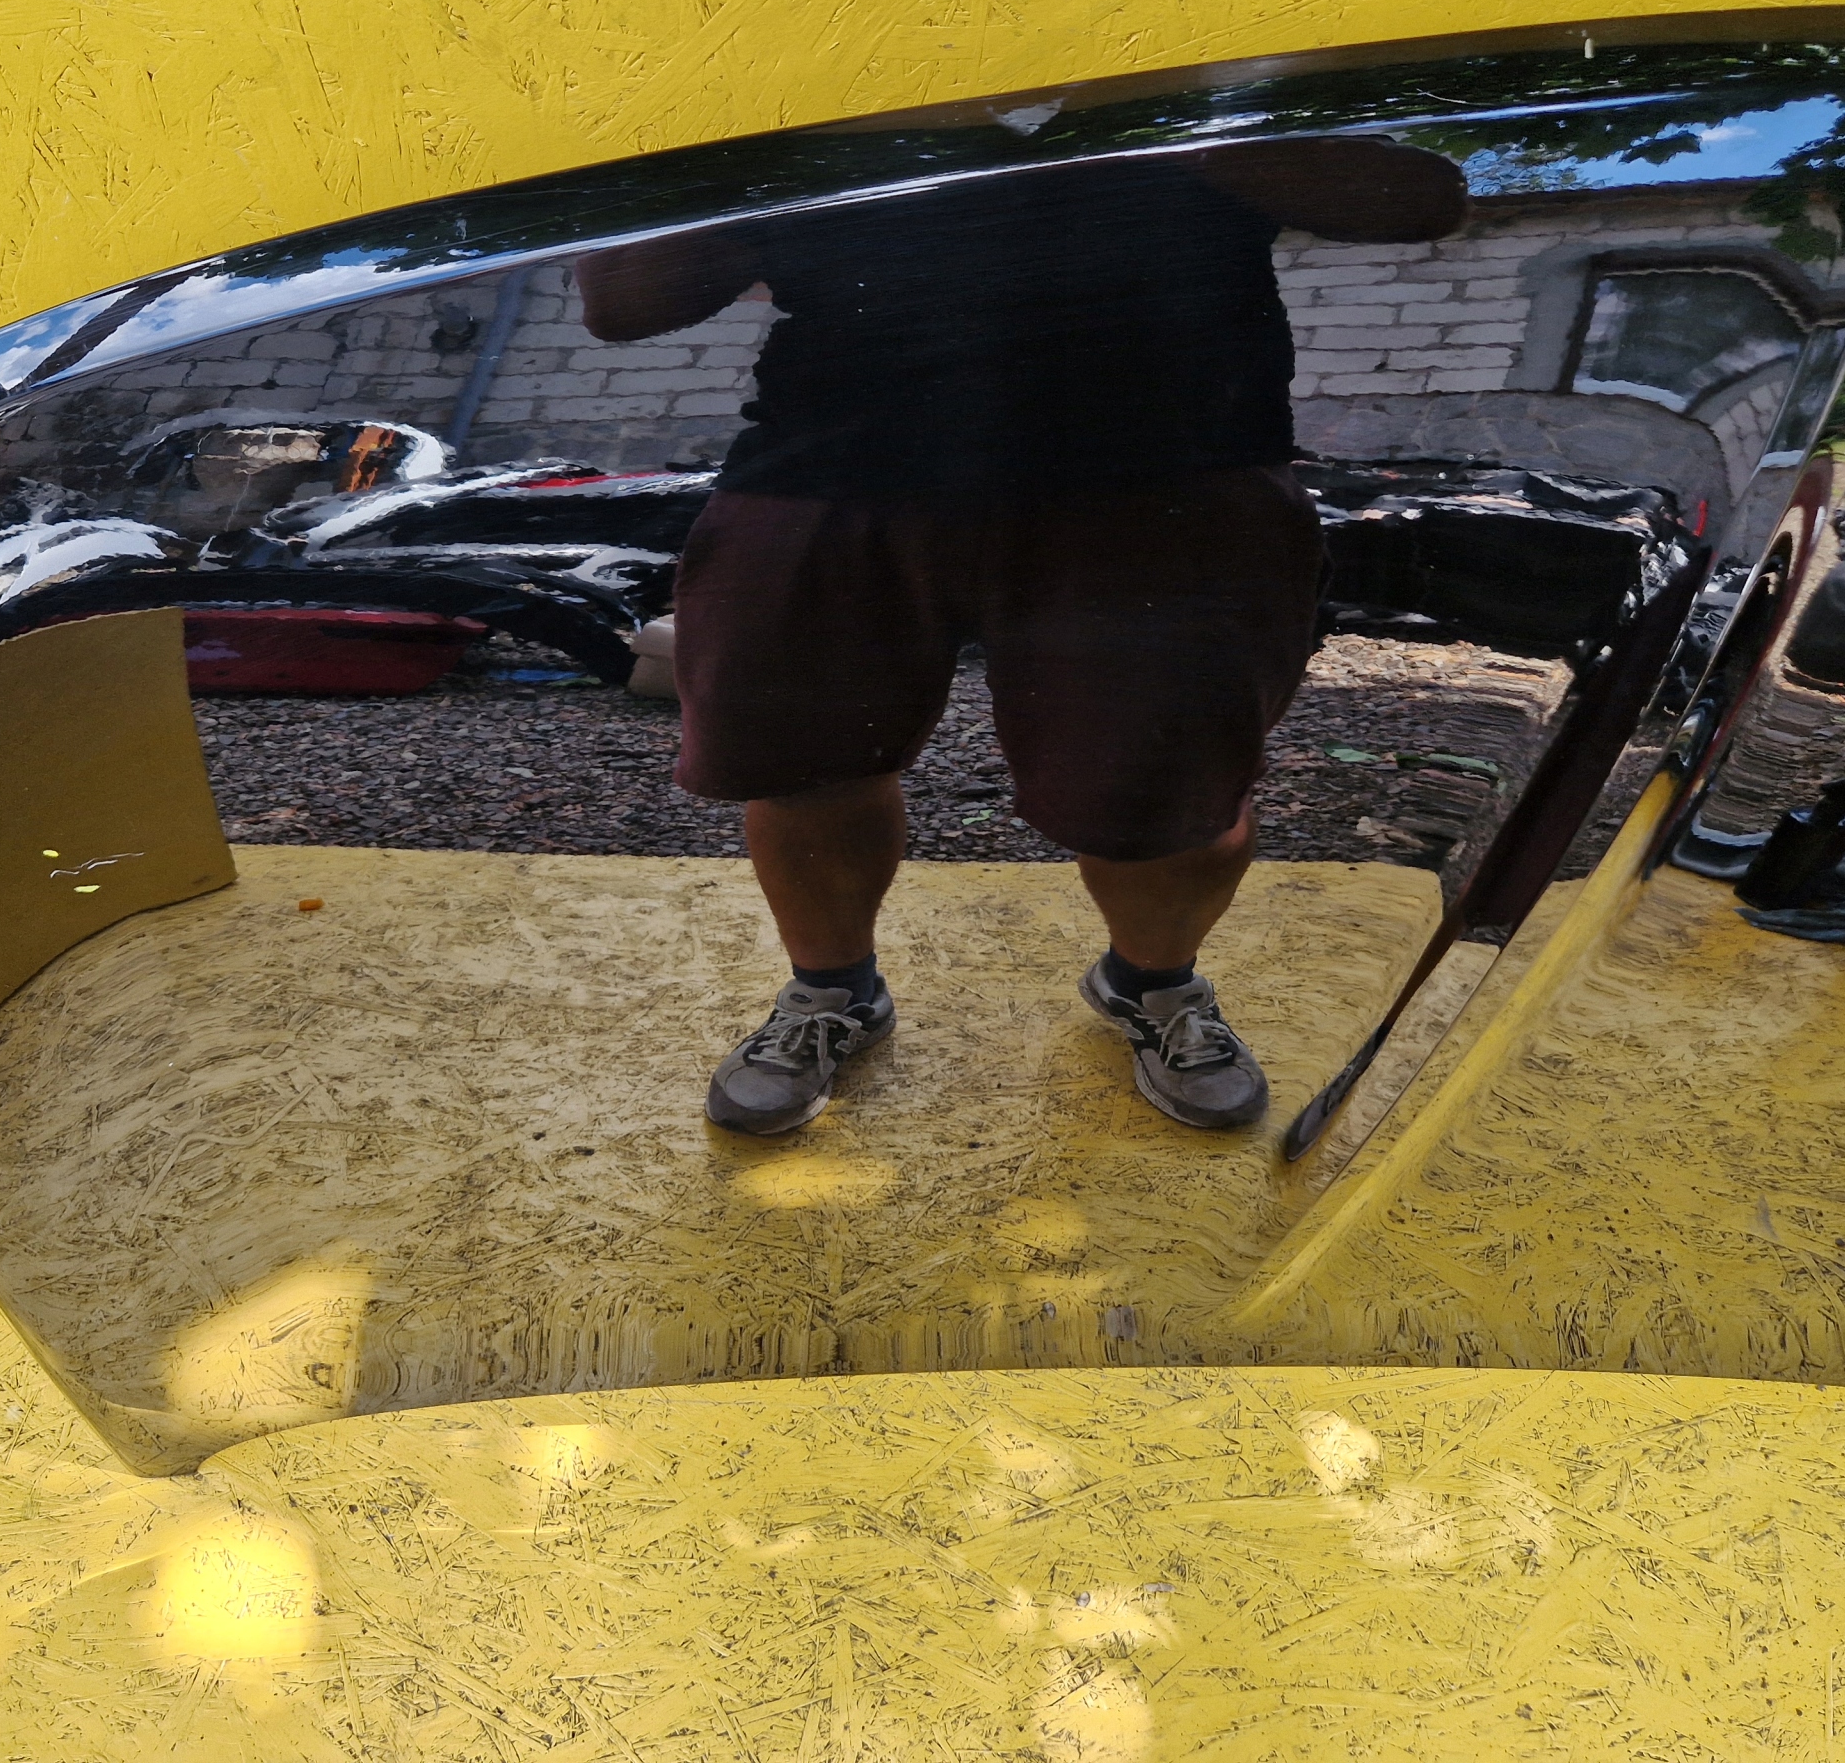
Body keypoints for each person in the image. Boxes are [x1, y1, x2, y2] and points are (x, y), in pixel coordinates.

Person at [577, 135, 1466, 1135]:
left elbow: (1423, 198)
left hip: (1166, 472)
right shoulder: (820, 92)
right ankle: (833, 990)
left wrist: (1142, 118)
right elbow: (619, 300)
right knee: (799, 765)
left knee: (1164, 792)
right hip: (829, 467)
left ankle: (1151, 982)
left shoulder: (1196, 70)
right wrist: (802, 144)